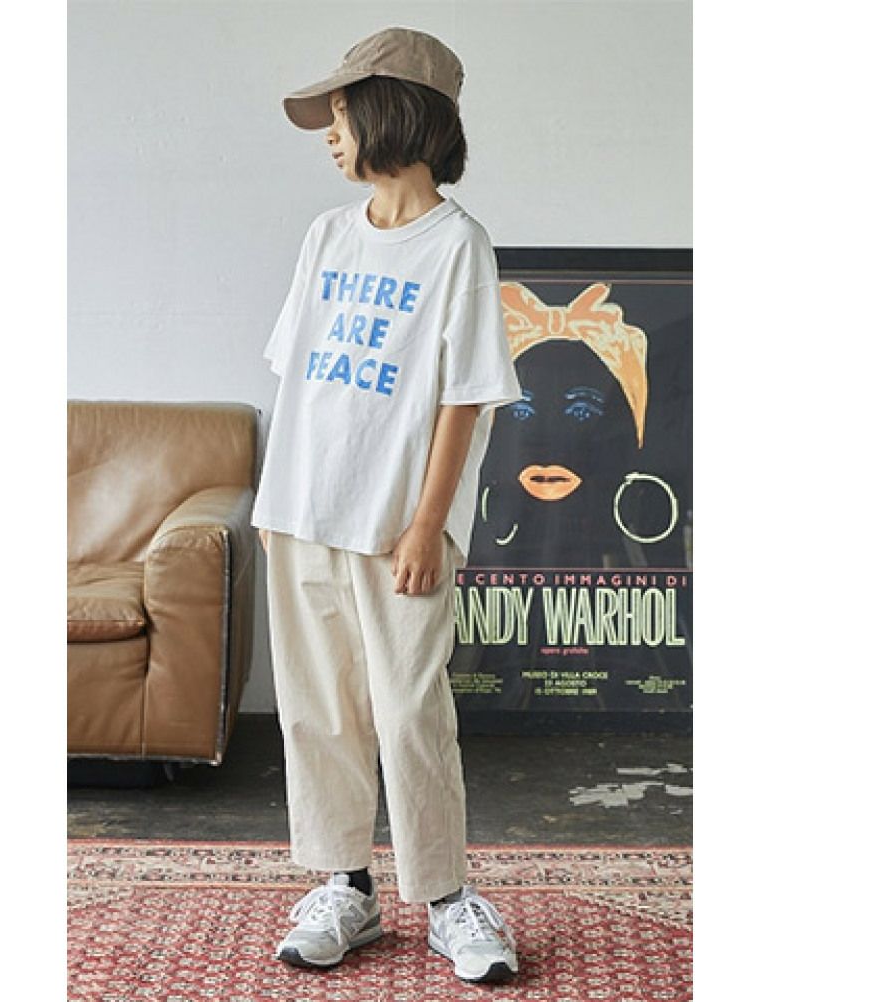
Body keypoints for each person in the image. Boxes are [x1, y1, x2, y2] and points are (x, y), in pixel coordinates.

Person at [249, 26, 523, 984]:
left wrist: (427, 524)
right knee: (317, 709)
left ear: (394, 112)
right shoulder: (327, 235)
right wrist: (278, 501)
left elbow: (465, 397)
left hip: (398, 523)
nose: (330, 135)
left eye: (341, 114)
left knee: (409, 710)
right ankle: (346, 887)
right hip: (301, 506)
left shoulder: (458, 246)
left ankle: (446, 896)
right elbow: (301, 380)